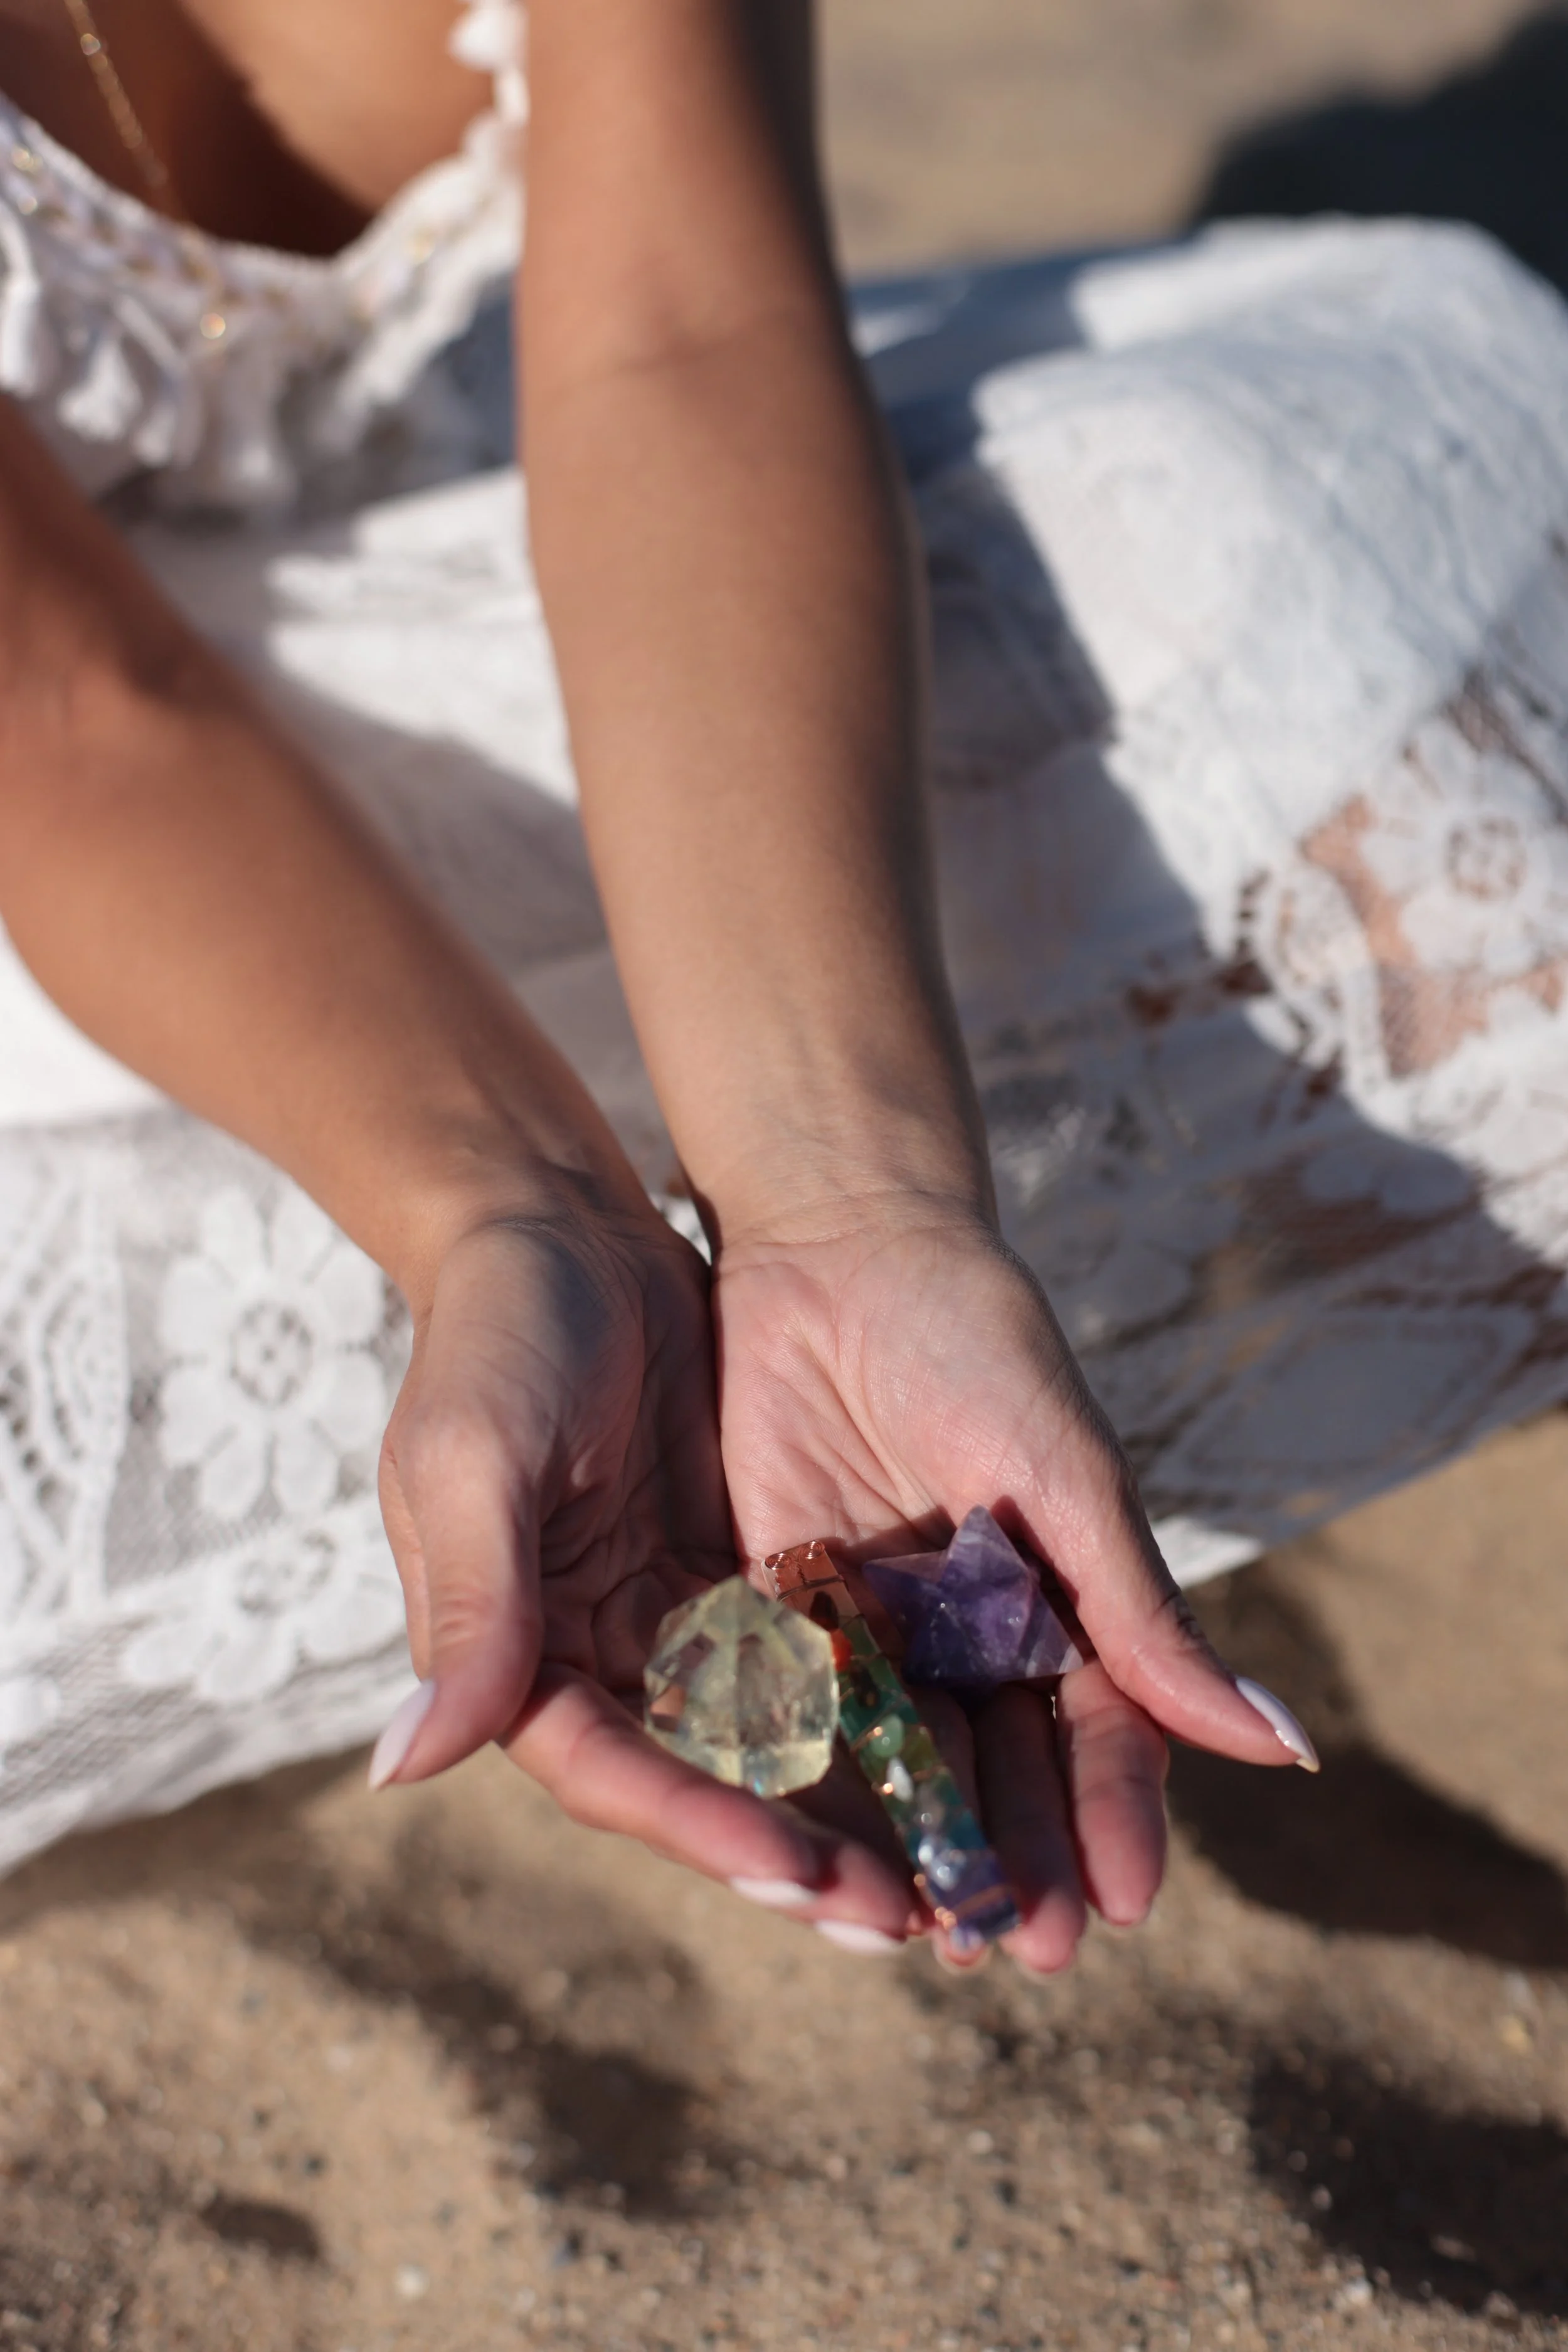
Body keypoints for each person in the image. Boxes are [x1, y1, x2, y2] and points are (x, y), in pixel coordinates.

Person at [3, 0, 1566, 1959]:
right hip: (69, 827)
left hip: (521, 564)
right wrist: (499, 1212)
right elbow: (71, 705)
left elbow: (683, 344)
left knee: (1357, 554)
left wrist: (854, 1198)